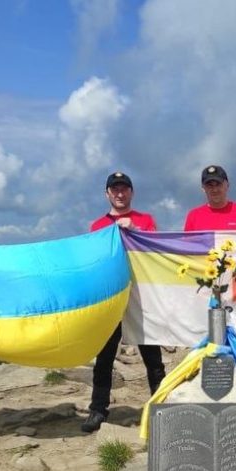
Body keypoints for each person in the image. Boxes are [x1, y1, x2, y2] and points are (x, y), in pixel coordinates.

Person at [82, 171, 168, 433]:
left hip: (142, 299)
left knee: (152, 356)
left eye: (124, 189)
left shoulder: (146, 220)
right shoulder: (97, 227)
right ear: (107, 193)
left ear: (131, 192)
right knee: (105, 358)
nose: (119, 193)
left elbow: (157, 250)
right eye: (114, 189)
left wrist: (137, 232)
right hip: (111, 300)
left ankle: (162, 406)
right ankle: (97, 410)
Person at [183, 165, 236, 231]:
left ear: (227, 185)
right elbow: (187, 246)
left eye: (218, 184)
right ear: (203, 188)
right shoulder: (193, 216)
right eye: (210, 185)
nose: (215, 190)